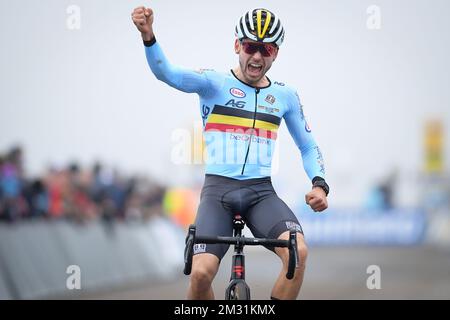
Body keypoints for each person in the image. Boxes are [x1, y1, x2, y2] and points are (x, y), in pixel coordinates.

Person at [131, 6, 329, 300]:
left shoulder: (285, 95)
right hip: (217, 194)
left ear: (276, 53)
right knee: (200, 275)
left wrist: (319, 183)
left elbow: (308, 145)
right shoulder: (214, 83)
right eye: (251, 47)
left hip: (261, 193)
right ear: (237, 45)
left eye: (267, 49)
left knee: (297, 252)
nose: (258, 56)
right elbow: (166, 73)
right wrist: (148, 36)